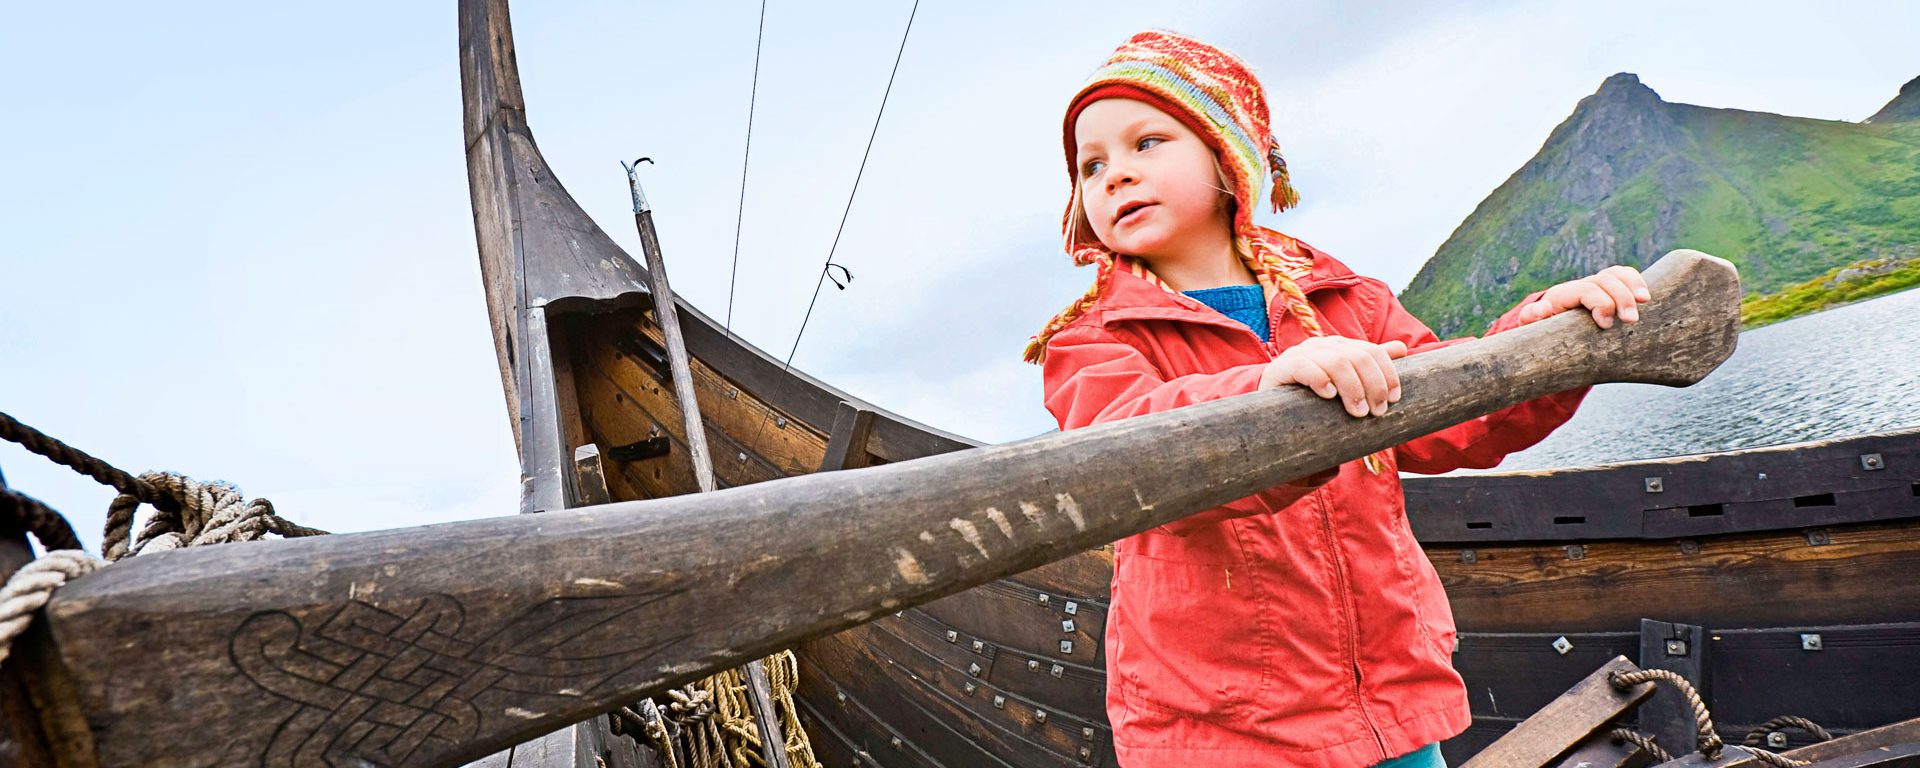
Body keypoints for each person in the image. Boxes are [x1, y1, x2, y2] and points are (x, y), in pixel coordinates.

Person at [1026, 31, 1652, 768]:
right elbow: (1119, 454)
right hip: (1218, 727)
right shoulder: (1090, 340)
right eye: (1091, 165)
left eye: (1147, 142)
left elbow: (1460, 413)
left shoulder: (1344, 298)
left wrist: (1543, 339)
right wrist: (1265, 390)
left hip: (1387, 693)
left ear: (1227, 156)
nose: (1115, 176)